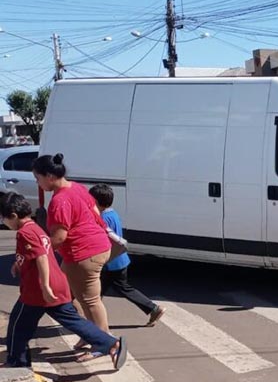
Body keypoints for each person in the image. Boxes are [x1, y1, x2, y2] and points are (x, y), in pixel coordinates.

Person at [1, 193, 127, 370]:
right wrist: (19, 264)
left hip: (38, 290)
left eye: (3, 217)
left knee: (18, 324)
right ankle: (110, 343)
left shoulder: (24, 233)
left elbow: (42, 257)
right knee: (73, 320)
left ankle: (16, 360)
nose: (3, 221)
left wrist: (44, 286)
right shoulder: (36, 228)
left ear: (13, 215)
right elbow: (34, 253)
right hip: (56, 285)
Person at [32, 153, 112, 346]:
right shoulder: (76, 187)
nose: (38, 183)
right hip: (95, 246)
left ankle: (104, 343)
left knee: (90, 301)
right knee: (67, 293)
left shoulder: (60, 201)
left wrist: (39, 251)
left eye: (38, 178)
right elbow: (95, 212)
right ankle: (89, 334)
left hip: (84, 254)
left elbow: (59, 238)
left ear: (49, 176)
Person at [89, 184, 165, 327]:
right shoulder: (113, 213)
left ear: (95, 201)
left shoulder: (102, 219)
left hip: (110, 262)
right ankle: (153, 308)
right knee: (115, 290)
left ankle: (153, 308)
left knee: (95, 294)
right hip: (120, 260)